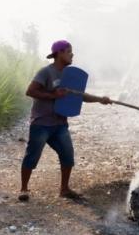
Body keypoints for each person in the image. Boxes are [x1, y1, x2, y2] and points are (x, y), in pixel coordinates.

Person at [19, 40, 112, 202]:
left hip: (60, 123)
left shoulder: (70, 76)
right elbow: (30, 91)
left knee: (68, 155)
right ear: (59, 53)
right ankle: (23, 189)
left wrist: (100, 99)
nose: (72, 54)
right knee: (32, 156)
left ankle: (64, 189)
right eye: (69, 51)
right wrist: (53, 96)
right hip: (41, 123)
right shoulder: (46, 72)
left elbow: (79, 96)